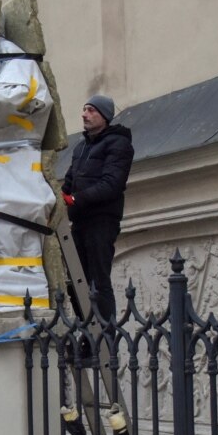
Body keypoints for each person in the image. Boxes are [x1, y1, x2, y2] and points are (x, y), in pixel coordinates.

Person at [61, 94, 134, 325]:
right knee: (76, 278)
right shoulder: (80, 148)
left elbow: (111, 185)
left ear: (104, 115)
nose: (84, 114)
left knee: (98, 280)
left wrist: (74, 199)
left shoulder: (118, 143)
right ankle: (85, 332)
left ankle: (105, 336)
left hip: (101, 220)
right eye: (84, 109)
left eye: (91, 110)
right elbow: (69, 181)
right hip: (80, 220)